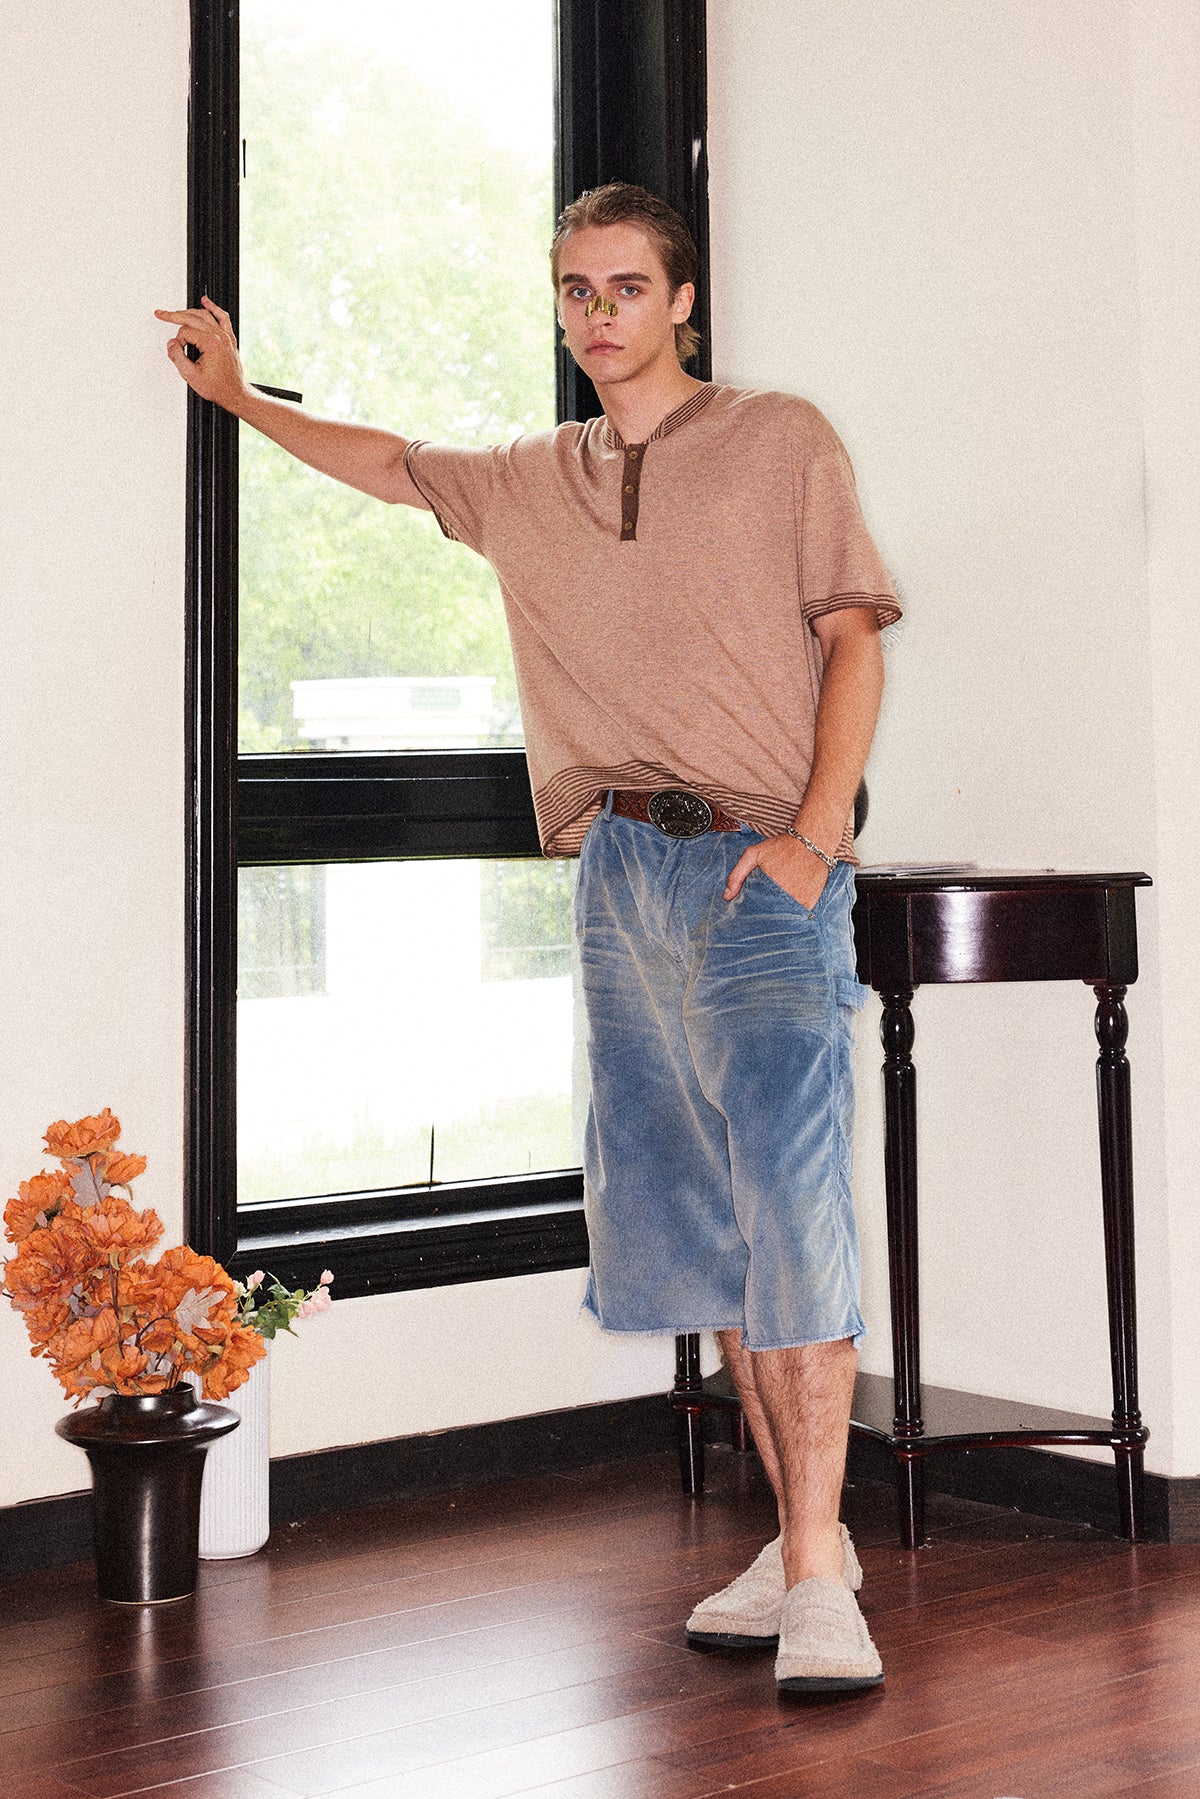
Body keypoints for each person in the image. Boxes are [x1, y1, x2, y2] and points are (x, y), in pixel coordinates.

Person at [157, 181, 900, 1695]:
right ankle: (793, 1543)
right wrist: (237, 397)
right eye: (575, 291)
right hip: (620, 874)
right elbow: (388, 463)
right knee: (709, 1231)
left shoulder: (781, 440)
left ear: (682, 300)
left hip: (762, 870)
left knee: (793, 1210)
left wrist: (816, 838)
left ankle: (826, 1577)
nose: (599, 315)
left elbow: (852, 638)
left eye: (626, 287)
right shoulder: (536, 479)